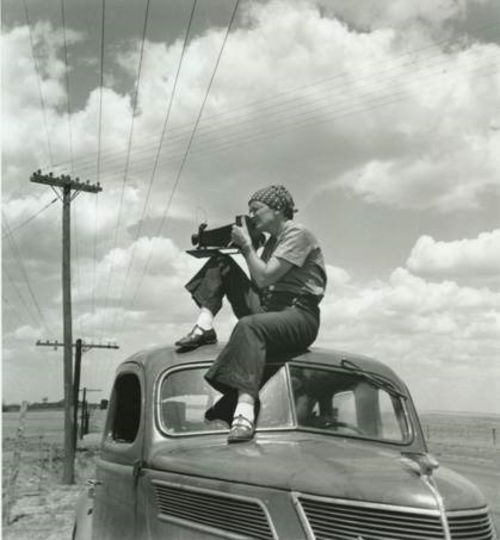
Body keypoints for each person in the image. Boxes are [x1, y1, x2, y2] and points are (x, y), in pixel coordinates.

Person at [175, 185, 327, 443]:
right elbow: (259, 284)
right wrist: (246, 250)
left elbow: (265, 276)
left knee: (249, 326)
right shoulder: (272, 244)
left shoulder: (297, 234)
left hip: (299, 315)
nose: (251, 215)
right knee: (220, 263)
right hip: (271, 309)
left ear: (277, 209)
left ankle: (244, 412)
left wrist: (247, 248)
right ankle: (204, 325)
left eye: (256, 209)